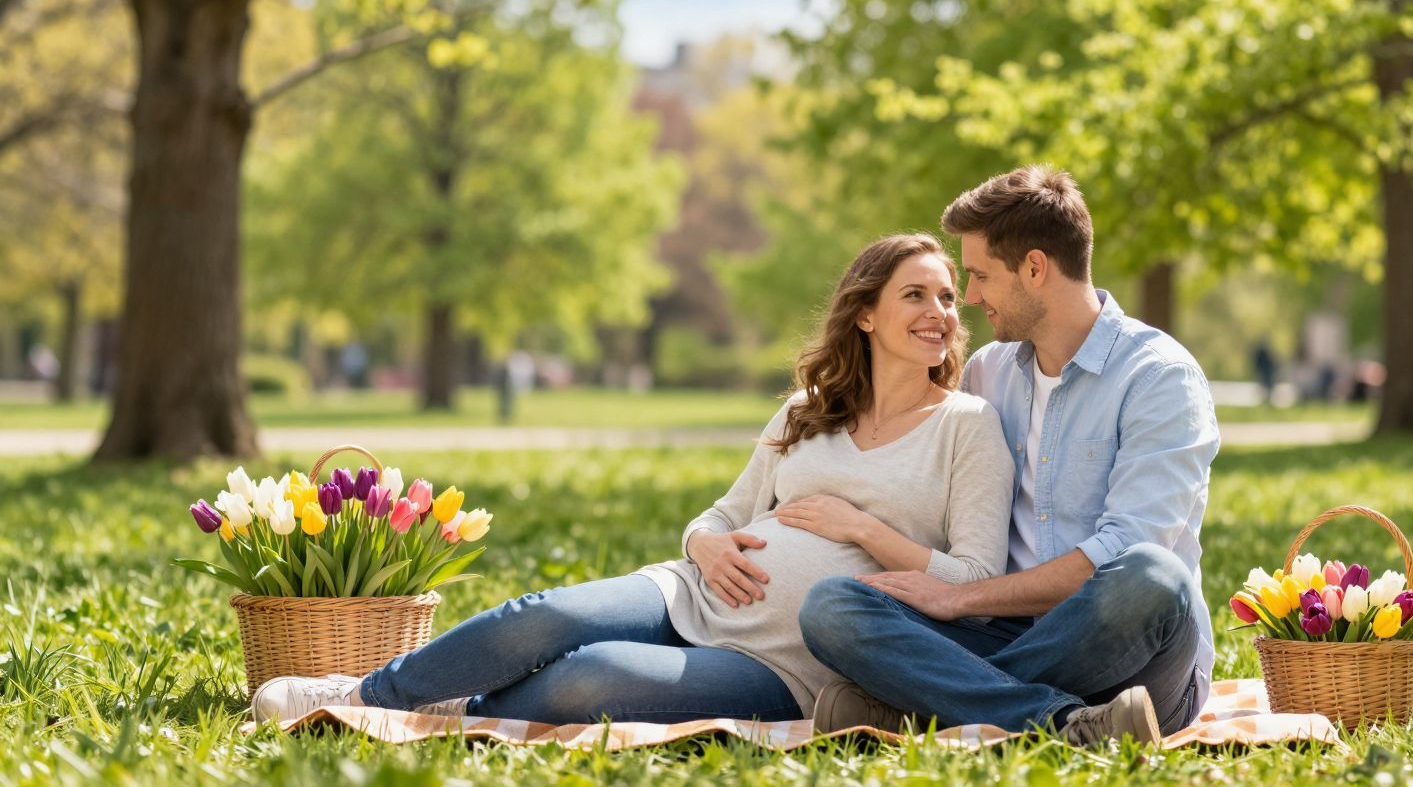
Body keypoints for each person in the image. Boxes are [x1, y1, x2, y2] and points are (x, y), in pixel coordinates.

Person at [251, 233, 1014, 725]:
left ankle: (457, 705)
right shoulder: (806, 410)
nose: (941, 311)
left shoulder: (968, 425)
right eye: (916, 294)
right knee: (541, 615)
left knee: (591, 678)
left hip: (782, 664)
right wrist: (704, 545)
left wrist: (864, 531)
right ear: (865, 315)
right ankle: (361, 694)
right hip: (689, 591)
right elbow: (721, 515)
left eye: (949, 297)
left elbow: (976, 583)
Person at [798, 166, 1221, 747]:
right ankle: (1066, 723)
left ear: (1035, 268)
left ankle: (931, 705)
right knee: (832, 606)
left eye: (979, 276)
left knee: (1153, 576)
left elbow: (1124, 548)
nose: (969, 297)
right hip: (1003, 634)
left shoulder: (1159, 377)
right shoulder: (988, 373)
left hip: (1132, 654)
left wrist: (958, 599)